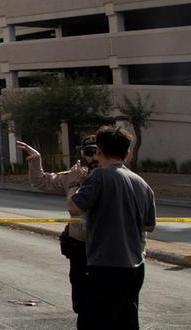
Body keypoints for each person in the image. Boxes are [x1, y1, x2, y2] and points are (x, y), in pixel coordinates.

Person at [68, 126, 156, 330]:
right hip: (135, 265)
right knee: (127, 320)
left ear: (98, 152)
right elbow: (149, 226)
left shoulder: (98, 177)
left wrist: (74, 183)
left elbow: (74, 208)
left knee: (98, 321)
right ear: (127, 153)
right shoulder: (142, 183)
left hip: (105, 265)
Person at [16, 136, 96, 316]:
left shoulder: (108, 178)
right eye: (88, 153)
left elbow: (76, 208)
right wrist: (36, 160)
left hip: (104, 248)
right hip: (79, 246)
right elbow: (41, 181)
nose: (92, 158)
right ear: (82, 154)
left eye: (96, 152)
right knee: (82, 304)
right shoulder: (71, 177)